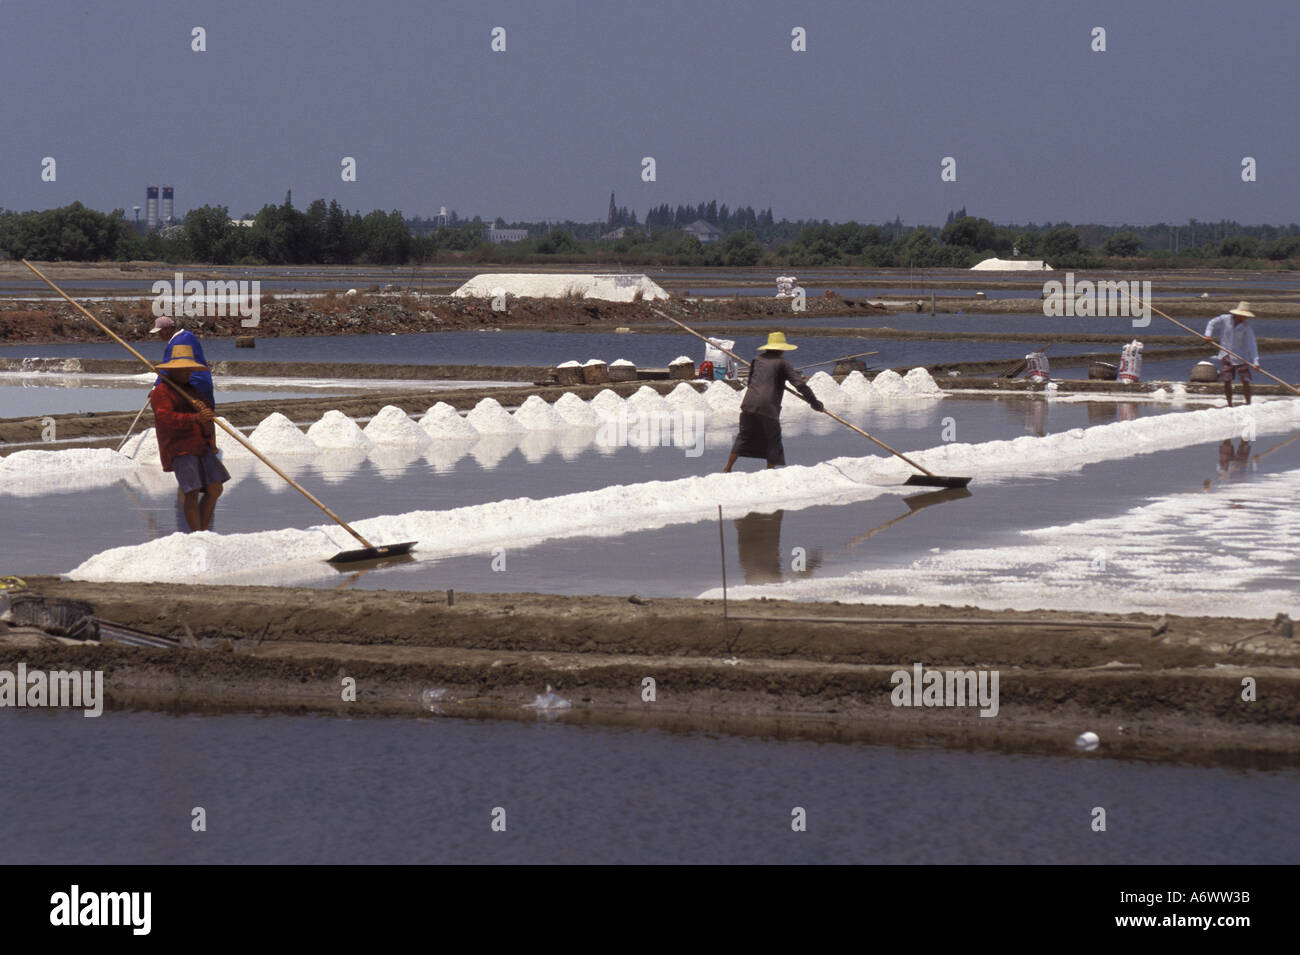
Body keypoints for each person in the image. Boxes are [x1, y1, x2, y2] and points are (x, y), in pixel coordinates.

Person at [150, 344, 229, 532]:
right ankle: (196, 533)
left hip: (200, 444)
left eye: (190, 370)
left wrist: (204, 409)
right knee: (191, 491)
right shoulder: (161, 392)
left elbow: (207, 410)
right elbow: (165, 418)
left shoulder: (190, 390)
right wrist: (195, 417)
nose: (189, 374)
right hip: (180, 447)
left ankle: (203, 530)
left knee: (215, 489)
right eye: (185, 370)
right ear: (175, 371)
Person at [723, 332, 824, 472]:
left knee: (743, 437)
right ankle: (770, 472)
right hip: (767, 406)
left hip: (749, 404)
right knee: (773, 440)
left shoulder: (757, 359)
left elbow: (751, 382)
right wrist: (814, 402)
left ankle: (727, 468)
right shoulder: (782, 363)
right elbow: (800, 385)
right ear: (782, 349)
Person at [150, 315, 215, 407]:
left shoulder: (177, 342)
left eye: (160, 332)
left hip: (192, 382)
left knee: (195, 411)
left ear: (168, 329)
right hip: (203, 380)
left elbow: (167, 368)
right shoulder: (188, 335)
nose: (159, 335)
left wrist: (155, 388)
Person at [1203, 302, 1260, 406]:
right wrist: (1208, 335)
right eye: (1243, 316)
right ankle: (1229, 404)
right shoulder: (1225, 319)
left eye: (1246, 316)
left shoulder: (1246, 327)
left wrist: (1255, 361)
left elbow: (1251, 344)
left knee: (1245, 380)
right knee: (1227, 380)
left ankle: (1248, 403)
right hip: (1226, 354)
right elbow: (1211, 323)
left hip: (1241, 356)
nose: (1245, 318)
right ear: (1238, 314)